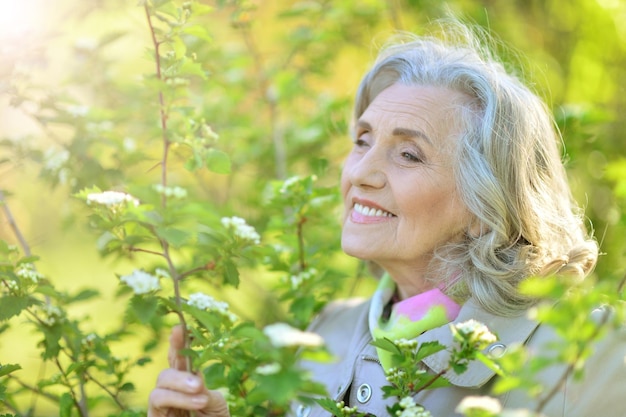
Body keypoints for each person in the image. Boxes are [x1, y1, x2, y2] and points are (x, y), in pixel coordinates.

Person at [148, 22, 626, 417]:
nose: (359, 172)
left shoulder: (592, 355)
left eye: (408, 154)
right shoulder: (326, 333)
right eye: (362, 140)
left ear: (488, 207)